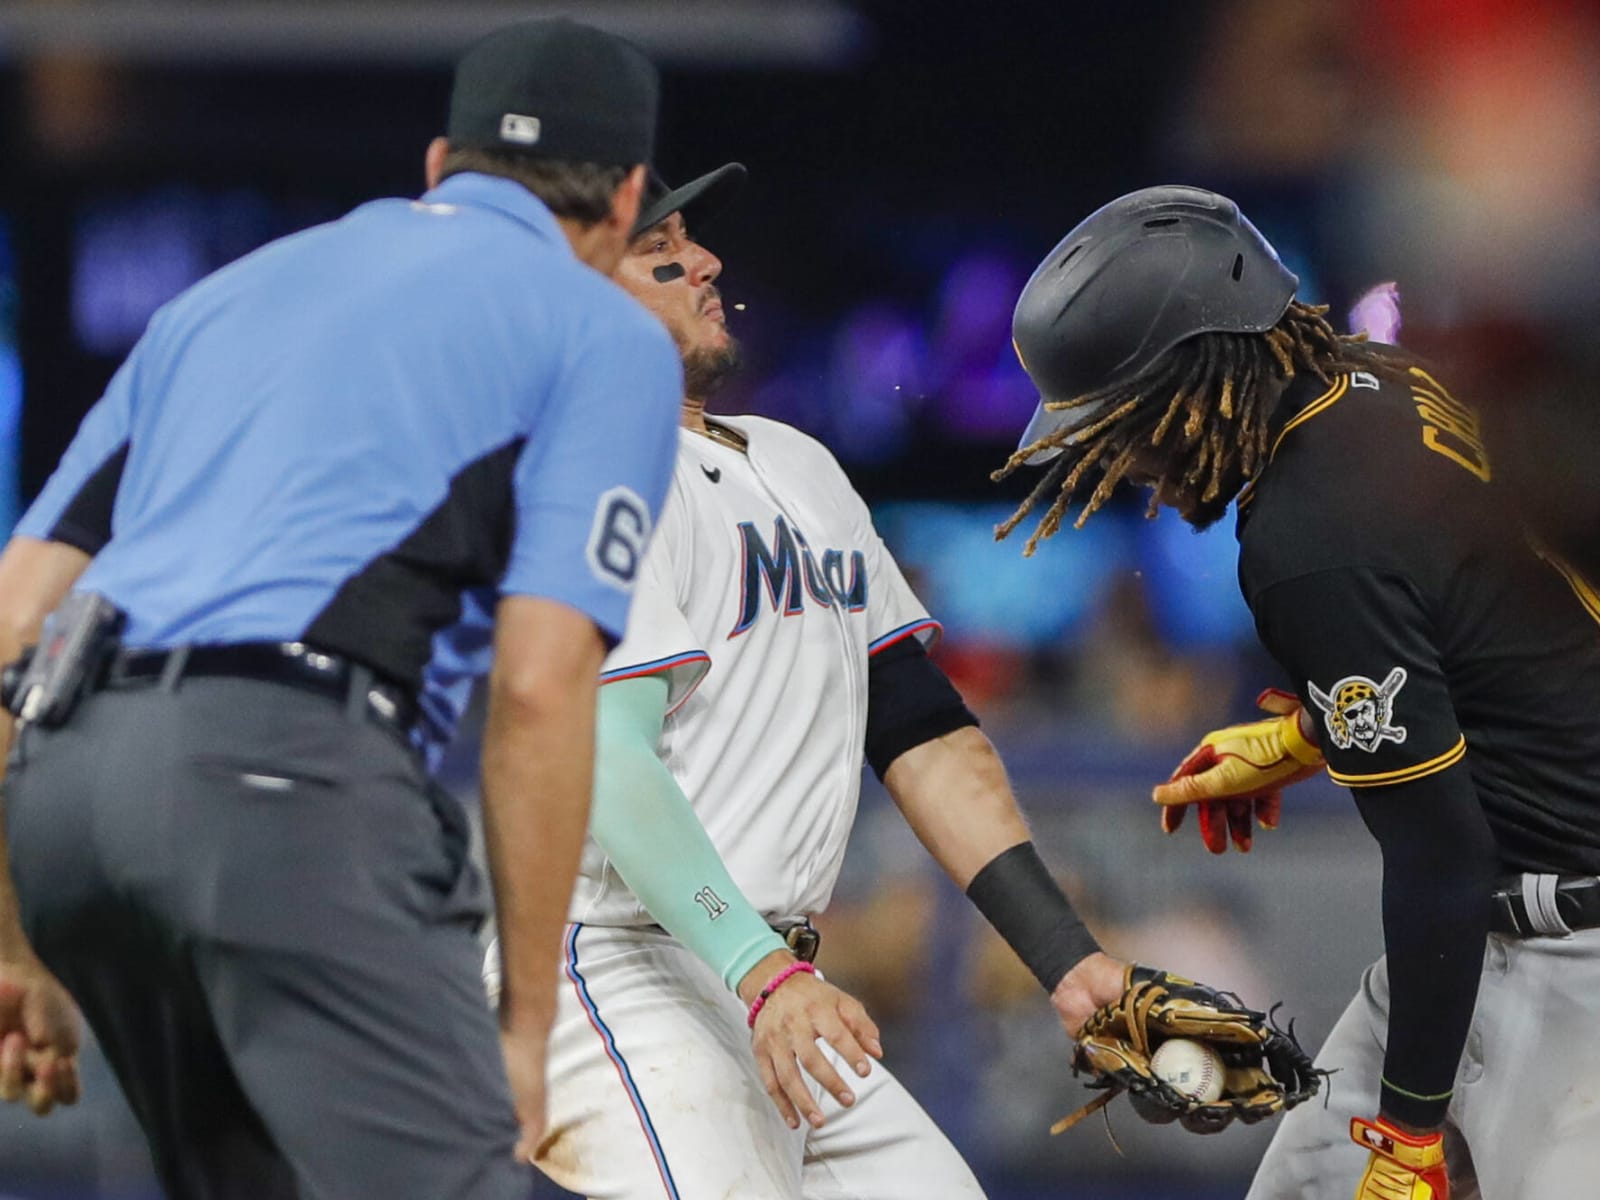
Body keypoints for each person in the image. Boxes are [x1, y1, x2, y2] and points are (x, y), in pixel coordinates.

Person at [0, 18, 684, 1199]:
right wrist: (523, 1030)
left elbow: (13, 622)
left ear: (438, 167)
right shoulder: (602, 332)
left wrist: (14, 939)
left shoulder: (224, 298)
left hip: (69, 791)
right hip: (282, 784)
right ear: (625, 201)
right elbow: (538, 682)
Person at [479, 160, 1148, 1200]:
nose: (703, 261)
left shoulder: (795, 464)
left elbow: (921, 728)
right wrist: (760, 972)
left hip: (766, 974)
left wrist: (1065, 959)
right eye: (659, 253)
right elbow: (604, 762)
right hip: (618, 964)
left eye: (692, 239)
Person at [995, 184, 1600, 1199]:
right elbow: (1487, 620)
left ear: (1193, 377)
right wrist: (1318, 733)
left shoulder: (1303, 540)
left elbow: (1439, 858)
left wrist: (1408, 1135)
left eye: (1124, 423)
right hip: (1503, 940)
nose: (1127, 463)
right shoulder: (1373, 378)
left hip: (1571, 969)